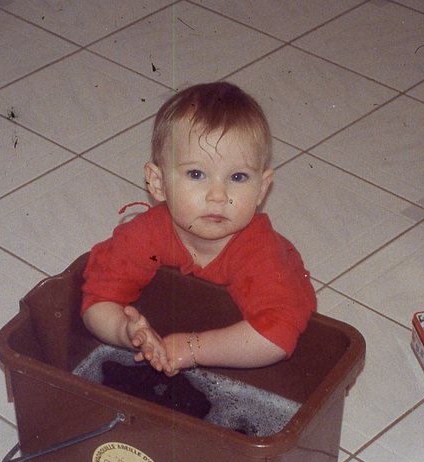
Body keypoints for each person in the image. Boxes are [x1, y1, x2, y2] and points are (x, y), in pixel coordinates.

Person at [81, 82, 316, 376]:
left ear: (261, 188)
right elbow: (97, 300)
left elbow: (275, 337)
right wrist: (126, 332)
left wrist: (191, 349)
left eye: (238, 177)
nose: (218, 195)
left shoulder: (262, 253)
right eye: (196, 173)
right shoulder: (145, 234)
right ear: (158, 183)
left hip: (252, 352)